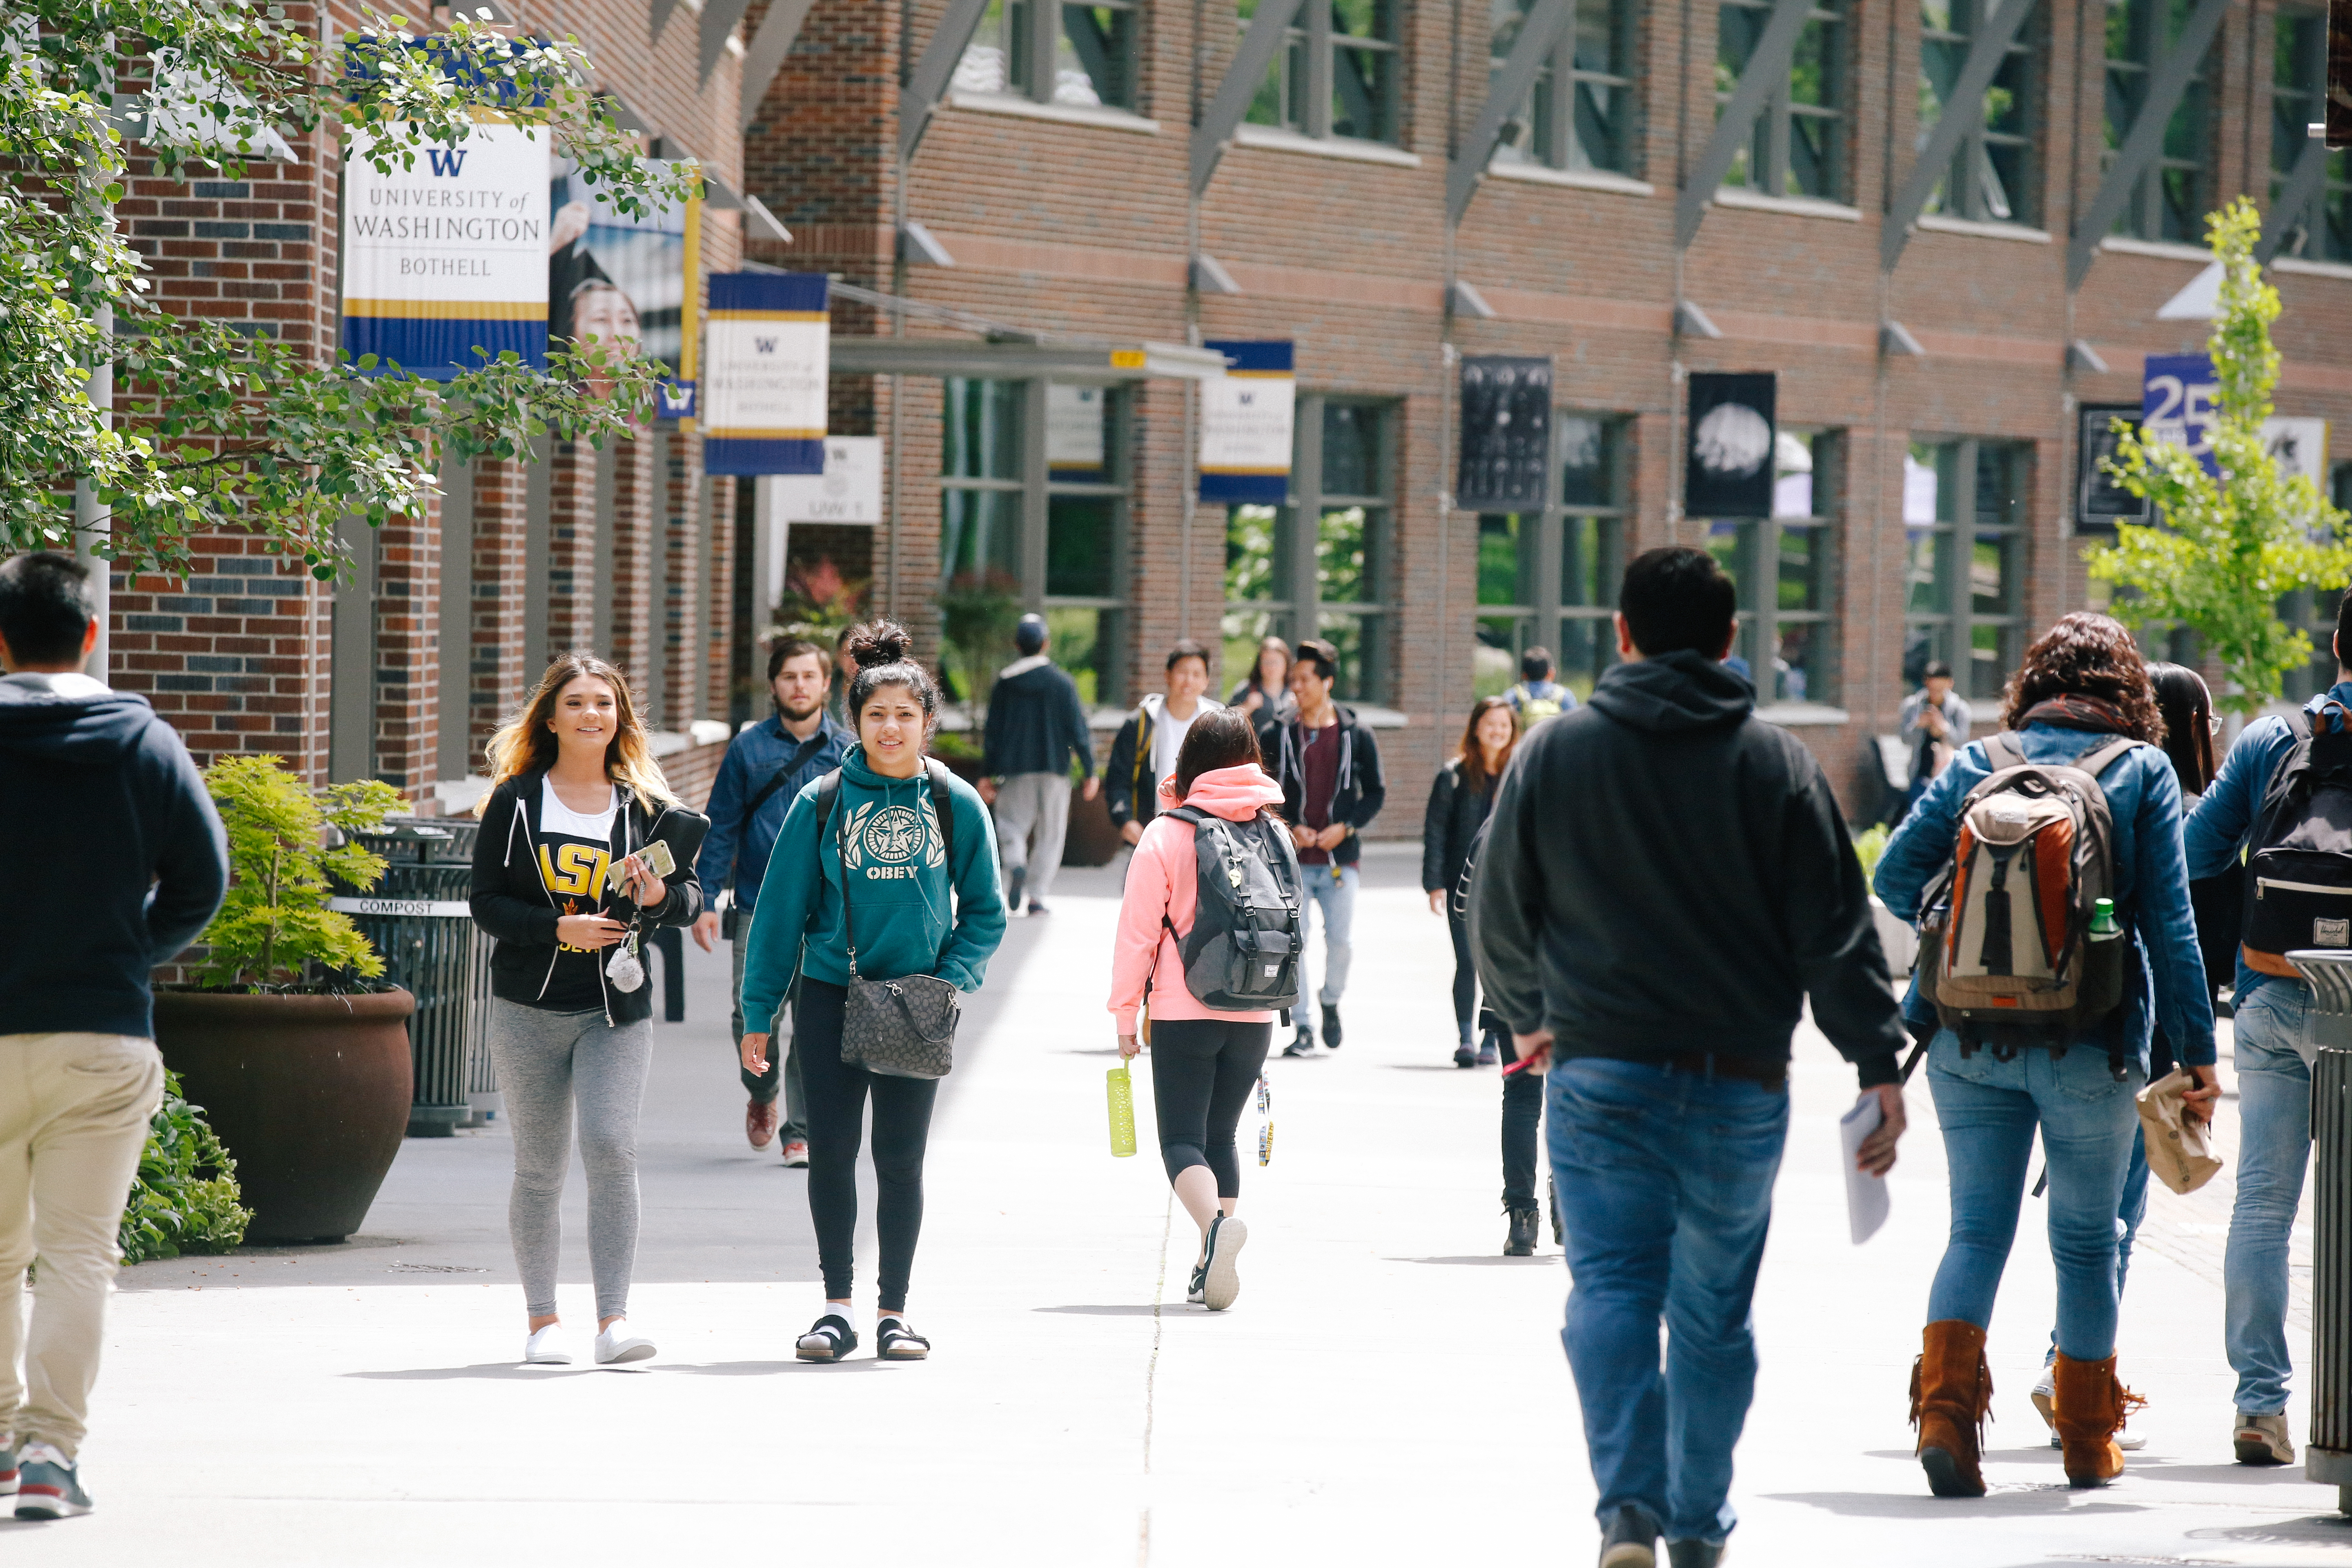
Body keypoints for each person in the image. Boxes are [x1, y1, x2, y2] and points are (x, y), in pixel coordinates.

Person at [1474, 546, 1907, 1568]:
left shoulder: (1554, 752)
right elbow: (1834, 935)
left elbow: (1493, 898)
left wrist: (1524, 1014)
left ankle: (1627, 1506)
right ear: (1727, 642)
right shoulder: (1776, 765)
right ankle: (1697, 1525)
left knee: (1610, 1291)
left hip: (1598, 1076)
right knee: (1711, 1316)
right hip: (1737, 1085)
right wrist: (1874, 1064)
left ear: (1618, 634)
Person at [1876, 613, 2216, 1497]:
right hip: (2092, 1045)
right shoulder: (2141, 770)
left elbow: (1888, 874)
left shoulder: (1979, 762)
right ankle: (2085, 1439)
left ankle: (1946, 1419)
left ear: (2038, 680)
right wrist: (2196, 1056)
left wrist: (1958, 915)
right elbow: (2173, 932)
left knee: (1976, 1231)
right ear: (2127, 690)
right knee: (2086, 1241)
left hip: (1966, 1037)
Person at [0, 552, 227, 1521]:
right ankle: (49, 1451)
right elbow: (203, 879)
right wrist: (134, 948)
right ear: (89, 634)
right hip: (101, 1029)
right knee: (81, 1249)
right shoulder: (141, 740)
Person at [738, 621, 1007, 1363]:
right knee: (831, 1151)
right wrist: (758, 1012)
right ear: (854, 722)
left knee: (900, 1158)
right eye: (877, 715)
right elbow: (778, 919)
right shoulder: (820, 803)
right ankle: (837, 1308)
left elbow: (986, 910)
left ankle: (894, 1312)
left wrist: (950, 980)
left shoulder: (954, 803)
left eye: (906, 715)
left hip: (917, 1005)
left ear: (928, 723)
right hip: (831, 996)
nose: (891, 728)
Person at [468, 653, 705, 1370]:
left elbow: (692, 897)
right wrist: (554, 929)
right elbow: (486, 903)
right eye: (576, 703)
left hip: (616, 1006)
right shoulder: (516, 802)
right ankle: (543, 1320)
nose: (591, 715)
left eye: (604, 703)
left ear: (620, 720)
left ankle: (615, 1319)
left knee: (609, 1147)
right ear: (550, 718)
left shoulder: (643, 809)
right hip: (527, 1006)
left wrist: (661, 899)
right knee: (539, 1166)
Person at [2018, 661, 2216, 1451]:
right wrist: (2202, 1054)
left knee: (2074, 1218)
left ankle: (2064, 1367)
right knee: (2111, 1223)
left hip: (2065, 1025)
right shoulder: (2168, 798)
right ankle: (2069, 1371)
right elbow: (2184, 937)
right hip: (2145, 1047)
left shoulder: (2076, 787)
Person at [2183, 590, 2352, 1467]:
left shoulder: (2269, 738)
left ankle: (2260, 1406)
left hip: (2272, 990)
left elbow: (2195, 853)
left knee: (2263, 1205)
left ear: (2334, 644)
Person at [1107, 708, 1292, 1311]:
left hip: (1184, 1008)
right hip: (1257, 1009)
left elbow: (1137, 934)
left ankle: (1215, 1233)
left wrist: (1124, 1013)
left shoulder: (1166, 833)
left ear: (1188, 762)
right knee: (1222, 1137)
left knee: (1181, 1140)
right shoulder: (1275, 832)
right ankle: (1208, 1259)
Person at [690, 639, 853, 1166]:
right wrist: (707, 899)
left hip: (827, 913)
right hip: (760, 908)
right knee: (749, 1016)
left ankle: (800, 1129)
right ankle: (762, 1093)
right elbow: (721, 829)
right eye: (790, 677)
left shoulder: (850, 753)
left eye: (810, 676)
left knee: (815, 1023)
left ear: (826, 684)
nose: (800, 686)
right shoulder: (748, 750)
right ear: (774, 685)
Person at [1258, 639, 1385, 1057]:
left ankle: (1330, 1000)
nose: (1297, 686)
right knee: (1295, 943)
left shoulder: (1356, 734)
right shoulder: (1277, 732)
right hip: (1290, 860)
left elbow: (1376, 794)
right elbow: (1262, 789)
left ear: (1327, 682)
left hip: (1339, 859)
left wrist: (1346, 828)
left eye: (1306, 679)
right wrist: (1286, 826)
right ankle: (1305, 1027)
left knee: (1341, 942)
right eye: (1294, 679)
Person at [980, 612, 1098, 915]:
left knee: (1011, 824)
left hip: (1015, 769)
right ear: (1046, 644)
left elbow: (993, 732)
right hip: (1055, 769)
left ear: (1016, 645)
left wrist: (987, 774)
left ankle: (1017, 863)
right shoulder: (1062, 683)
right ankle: (1036, 897)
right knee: (1051, 833)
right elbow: (1078, 729)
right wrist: (1090, 771)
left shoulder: (1005, 684)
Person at [1425, 697, 1517, 1070]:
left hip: (1508, 888)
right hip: (1462, 885)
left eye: (1505, 725)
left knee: (1498, 962)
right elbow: (1436, 832)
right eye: (1490, 723)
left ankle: (1491, 1037)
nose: (1498, 731)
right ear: (1476, 728)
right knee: (1467, 961)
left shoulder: (1520, 773)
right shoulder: (1454, 775)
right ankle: (1466, 1037)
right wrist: (1433, 883)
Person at [1106, 640, 1221, 849]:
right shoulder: (1143, 722)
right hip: (1152, 834)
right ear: (1167, 675)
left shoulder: (1217, 724)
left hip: (1204, 836)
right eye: (1182, 672)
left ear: (1206, 681)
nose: (1188, 680)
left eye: (1197, 674)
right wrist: (1125, 819)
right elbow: (1118, 777)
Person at [1892, 661, 1971, 824]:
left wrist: (1944, 730)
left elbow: (1962, 742)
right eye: (1932, 689)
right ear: (1926, 683)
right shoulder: (1913, 706)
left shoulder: (1960, 709)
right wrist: (1919, 725)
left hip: (1948, 775)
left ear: (1950, 684)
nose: (1935, 694)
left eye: (1940, 690)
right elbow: (1904, 739)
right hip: (1920, 773)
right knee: (1918, 819)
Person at [1227, 634, 1295, 725]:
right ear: (1259, 664)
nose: (1272, 668)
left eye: (1276, 662)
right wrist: (1247, 707)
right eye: (1267, 662)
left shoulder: (1296, 690)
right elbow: (1226, 723)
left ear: (1286, 663)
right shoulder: (1245, 690)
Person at [1503, 647, 1575, 725]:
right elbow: (1574, 724)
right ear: (1551, 673)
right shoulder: (1564, 695)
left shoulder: (1514, 695)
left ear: (1524, 675)